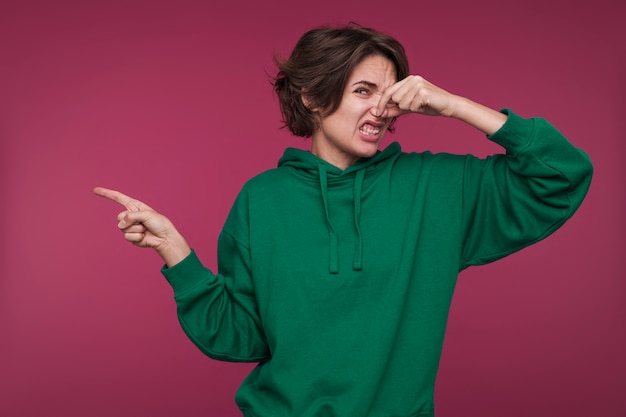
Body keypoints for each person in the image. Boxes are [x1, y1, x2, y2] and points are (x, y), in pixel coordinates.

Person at [95, 24, 593, 417]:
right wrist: (175, 252)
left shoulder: (439, 188)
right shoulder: (261, 199)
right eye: (363, 90)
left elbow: (562, 175)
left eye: (390, 92)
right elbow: (241, 336)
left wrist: (457, 107)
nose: (382, 107)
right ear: (313, 98)